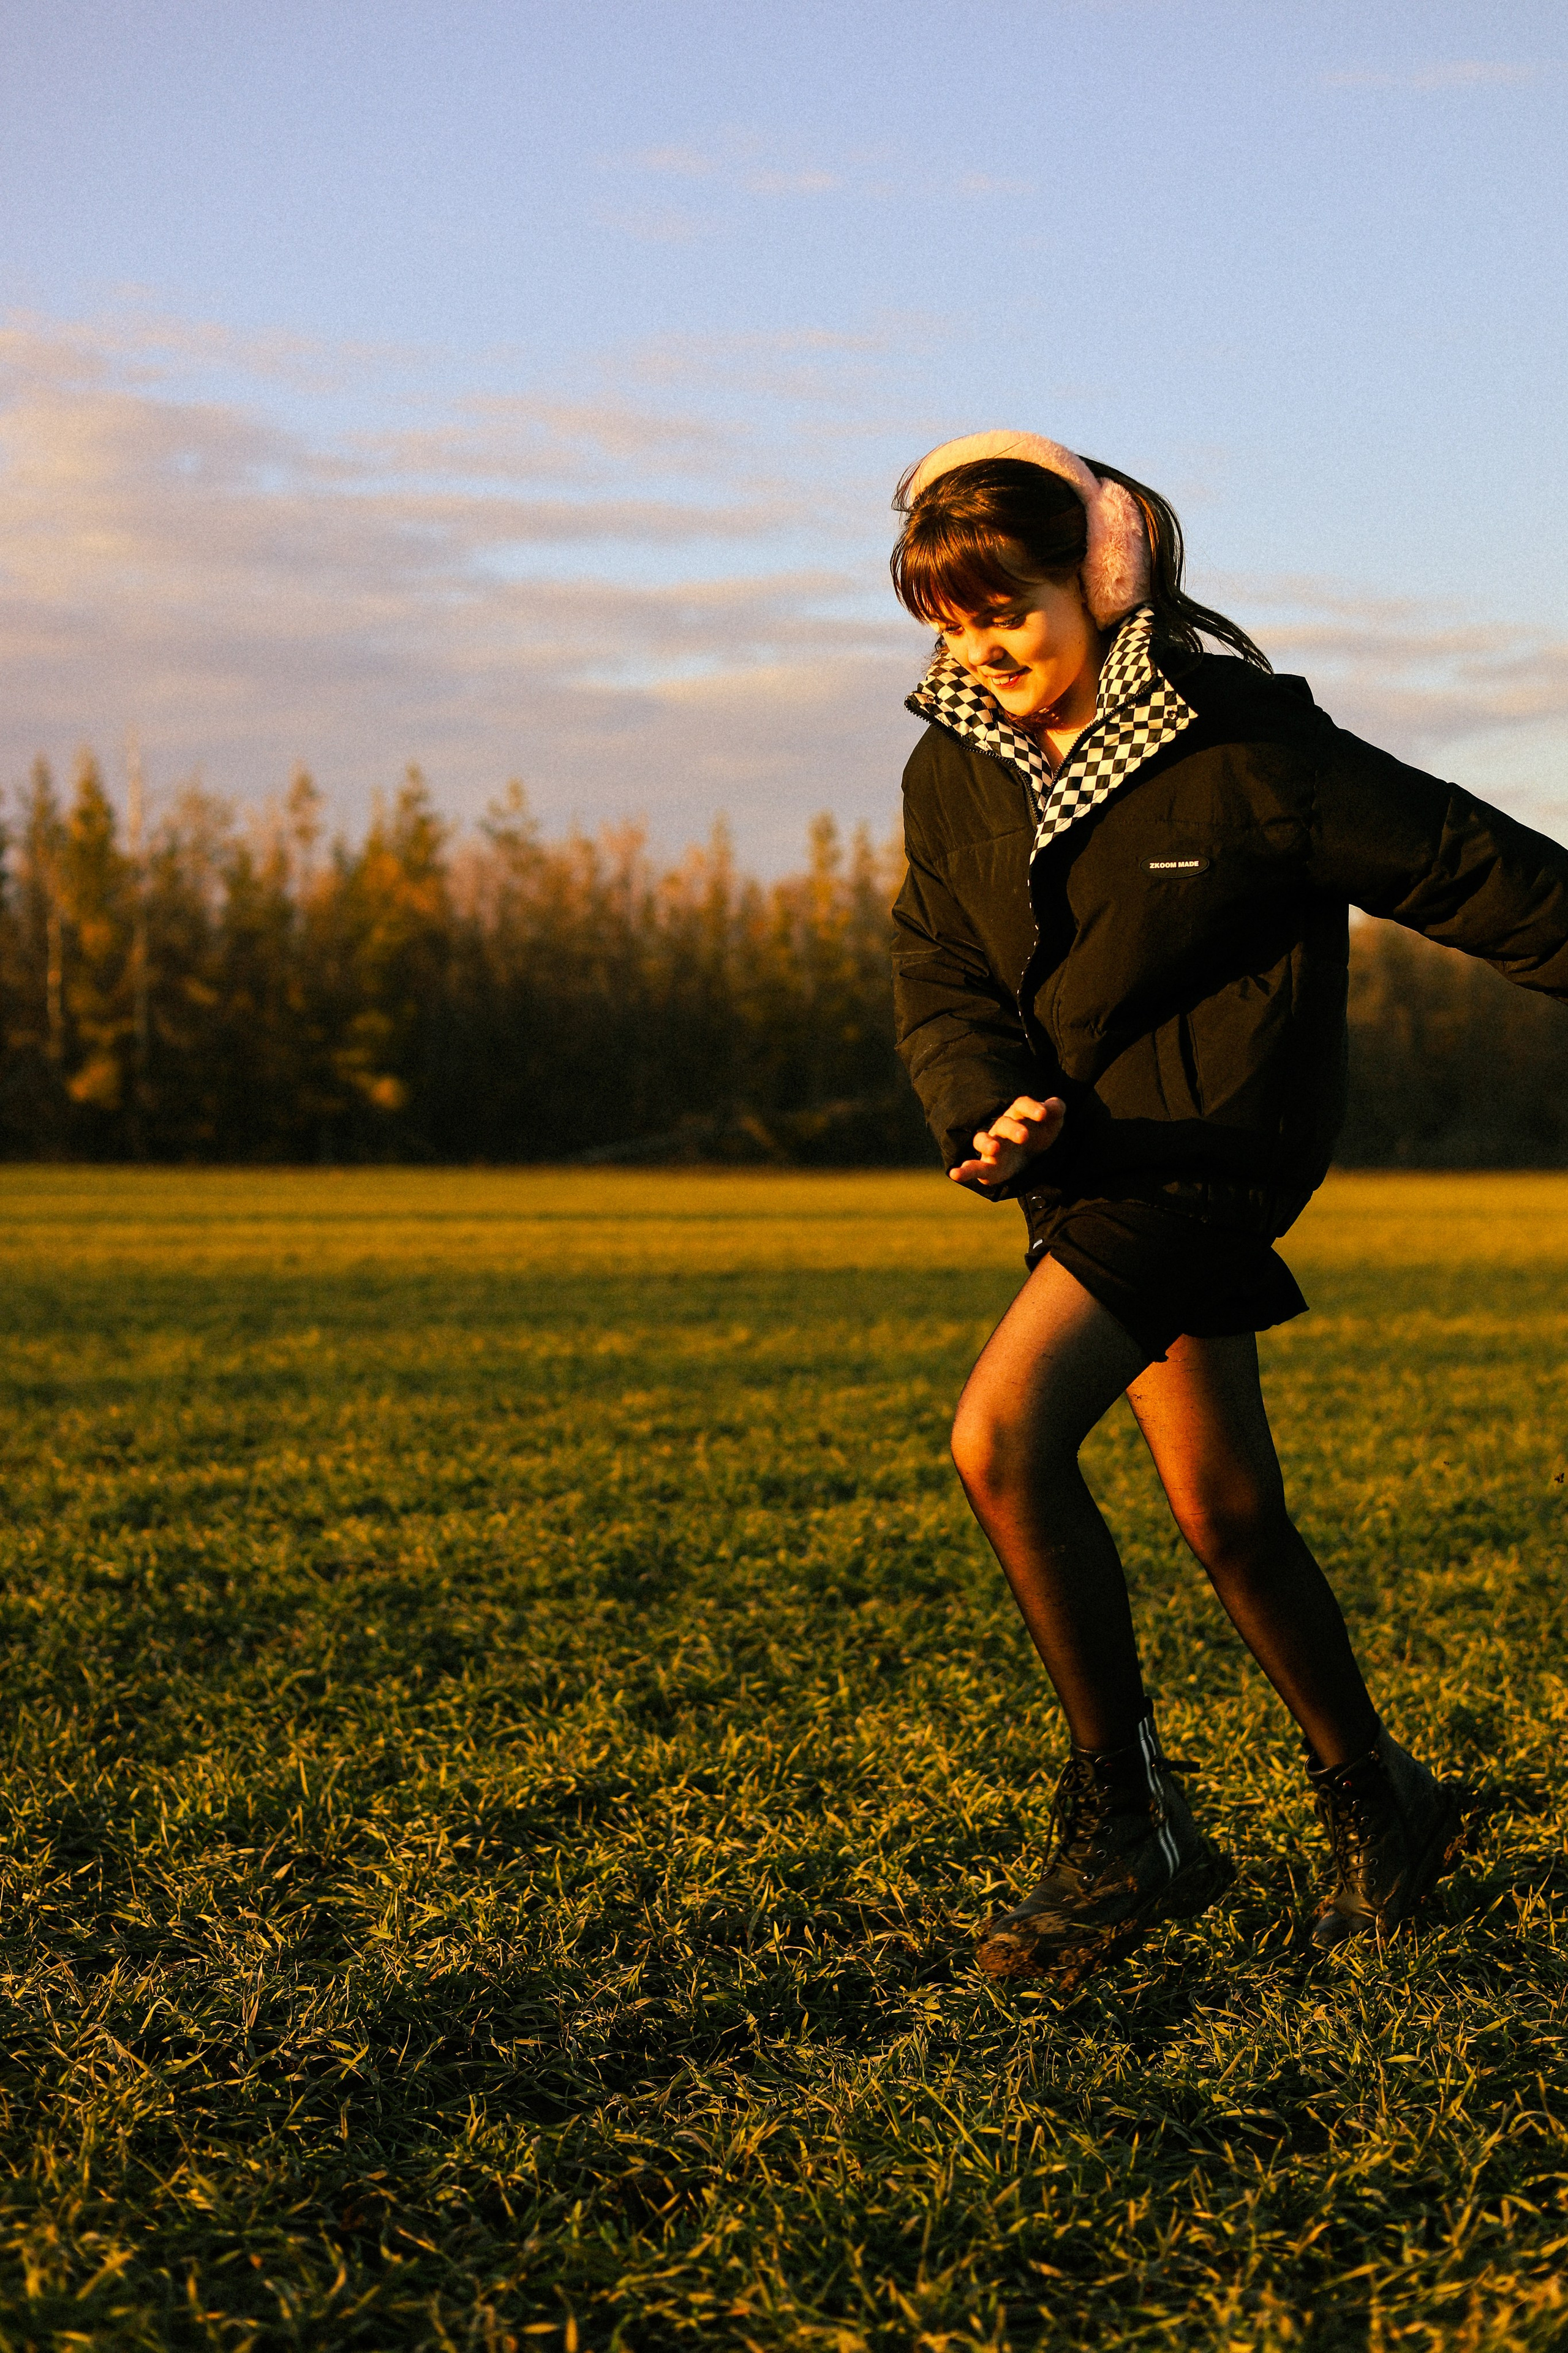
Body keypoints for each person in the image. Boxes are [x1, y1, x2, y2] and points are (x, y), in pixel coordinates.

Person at [889, 431, 1568, 1989]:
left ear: (1105, 577)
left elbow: (1480, 871)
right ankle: (1379, 1797)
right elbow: (938, 969)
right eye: (948, 622)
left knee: (998, 1437)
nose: (981, 652)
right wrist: (981, 1101)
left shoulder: (1242, 747)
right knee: (1225, 1511)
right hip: (1083, 1169)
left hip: (1212, 1148)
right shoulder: (951, 765)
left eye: (1009, 611)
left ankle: (1125, 1826)